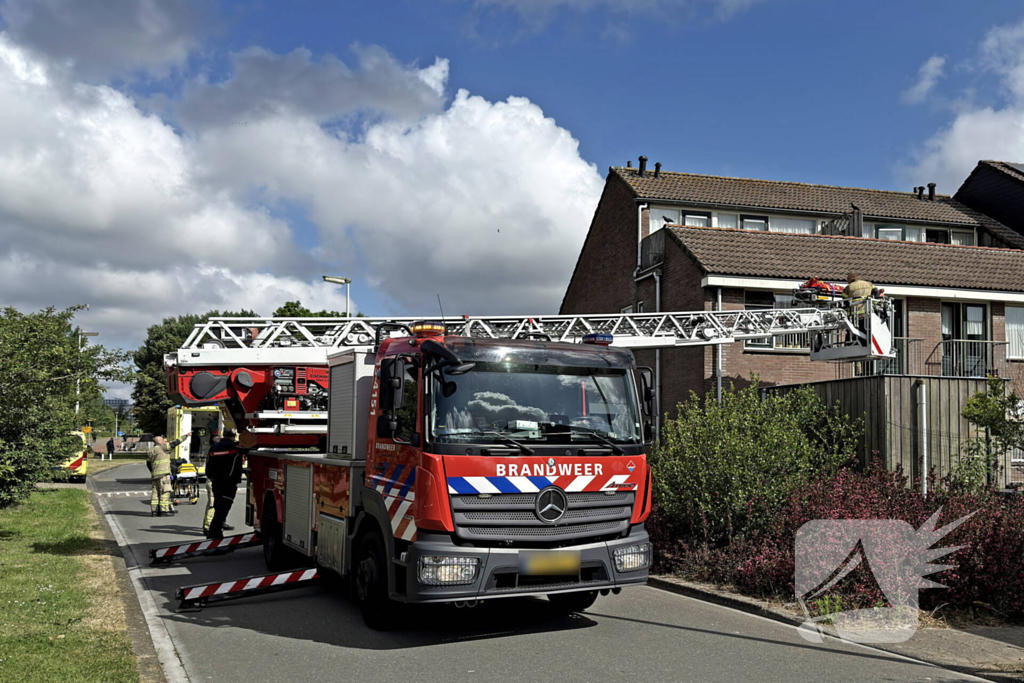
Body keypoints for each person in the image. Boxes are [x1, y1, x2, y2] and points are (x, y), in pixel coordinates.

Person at [206, 429, 245, 539]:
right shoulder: (236, 447)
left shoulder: (214, 447)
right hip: (229, 483)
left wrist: (212, 477)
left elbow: (208, 466)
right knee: (223, 509)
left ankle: (215, 533)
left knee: (218, 507)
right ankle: (214, 534)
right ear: (234, 436)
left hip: (216, 482)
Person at [148, 432, 189, 517]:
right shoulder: (163, 448)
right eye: (163, 440)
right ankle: (164, 510)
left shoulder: (150, 451)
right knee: (165, 492)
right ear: (159, 441)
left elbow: (148, 464)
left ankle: (154, 511)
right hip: (163, 475)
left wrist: (153, 472)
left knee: (155, 493)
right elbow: (175, 443)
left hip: (155, 475)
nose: (165, 442)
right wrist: (186, 436)